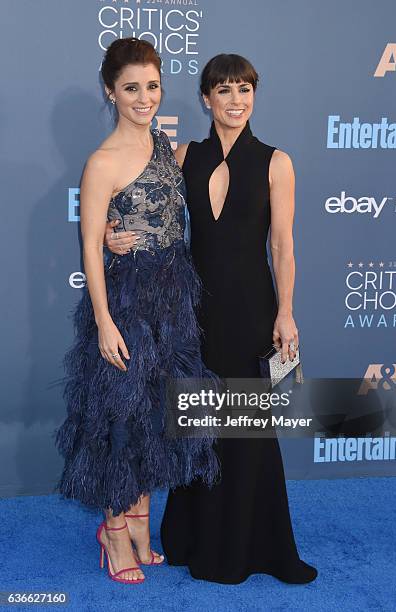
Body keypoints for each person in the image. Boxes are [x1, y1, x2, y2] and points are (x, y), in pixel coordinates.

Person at [105, 53, 317, 585]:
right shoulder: (183, 155)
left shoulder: (276, 162)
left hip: (251, 308)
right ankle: (192, 537)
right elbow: (140, 202)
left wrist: (286, 313)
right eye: (224, 91)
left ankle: (257, 545)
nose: (235, 101)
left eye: (244, 90)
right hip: (191, 308)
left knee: (248, 429)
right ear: (206, 99)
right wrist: (112, 231)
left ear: (254, 96)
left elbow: (283, 246)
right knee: (198, 426)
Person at [54, 38, 219, 585]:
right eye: (131, 88)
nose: (144, 98)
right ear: (111, 91)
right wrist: (103, 320)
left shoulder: (167, 145)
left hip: (172, 301)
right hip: (126, 304)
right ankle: (115, 533)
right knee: (118, 418)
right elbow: (88, 249)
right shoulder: (101, 162)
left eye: (152, 86)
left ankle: (142, 524)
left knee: (155, 418)